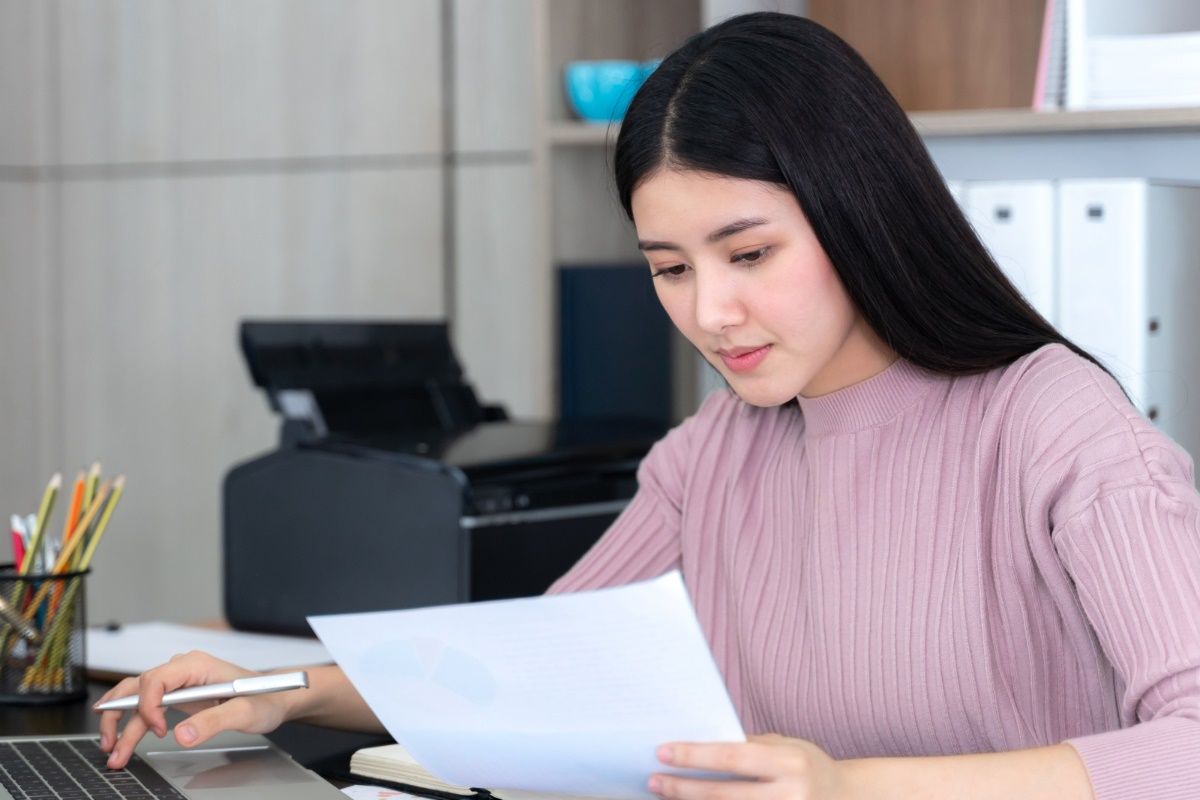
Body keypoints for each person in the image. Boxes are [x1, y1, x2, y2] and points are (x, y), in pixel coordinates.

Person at [97, 12, 1200, 799]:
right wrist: (282, 688)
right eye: (670, 267)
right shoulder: (720, 446)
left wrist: (848, 787)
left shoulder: (1057, 426)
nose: (714, 313)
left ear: (862, 211)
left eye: (750, 252)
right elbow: (531, 667)